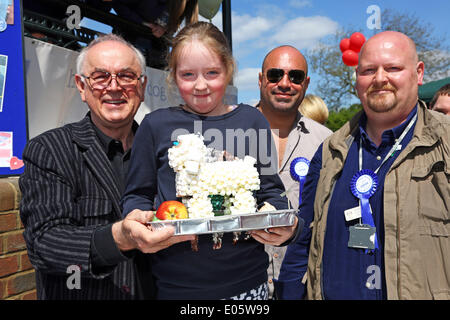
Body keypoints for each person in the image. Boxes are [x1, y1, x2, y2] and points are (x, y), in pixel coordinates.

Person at [121, 22, 300, 300]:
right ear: (173, 76)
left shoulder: (252, 121)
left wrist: (286, 227)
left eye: (212, 73)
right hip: (177, 289)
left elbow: (272, 192)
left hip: (248, 286)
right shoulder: (155, 125)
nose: (201, 85)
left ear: (228, 70)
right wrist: (134, 220)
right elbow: (138, 196)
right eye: (188, 74)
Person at [19, 33, 193, 300]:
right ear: (81, 86)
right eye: (100, 77)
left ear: (142, 85)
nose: (114, 87)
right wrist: (120, 237)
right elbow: (45, 244)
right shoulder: (50, 150)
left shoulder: (169, 154)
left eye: (126, 76)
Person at [277, 31, 450, 300]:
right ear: (357, 79)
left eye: (393, 68)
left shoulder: (445, 143)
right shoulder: (331, 150)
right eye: (369, 70)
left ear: (418, 73)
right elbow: (304, 240)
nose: (380, 78)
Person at [256, 45, 332, 299]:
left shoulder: (328, 142)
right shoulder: (228, 132)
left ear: (306, 83)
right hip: (242, 283)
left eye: (295, 76)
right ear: (260, 79)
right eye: (275, 75)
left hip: (302, 284)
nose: (285, 83)